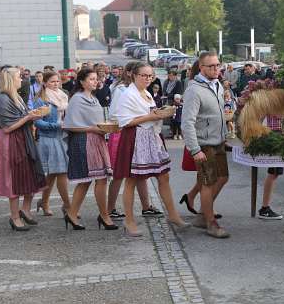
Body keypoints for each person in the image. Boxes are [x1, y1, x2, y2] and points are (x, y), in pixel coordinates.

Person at [114, 62, 188, 237]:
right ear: (134, 75)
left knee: (164, 176)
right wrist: (151, 115)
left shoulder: (146, 92)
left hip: (151, 137)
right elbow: (125, 121)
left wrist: (160, 113)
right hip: (135, 137)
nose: (147, 79)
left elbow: (150, 114)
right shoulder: (128, 94)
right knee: (131, 180)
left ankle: (173, 215)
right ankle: (129, 220)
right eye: (144, 76)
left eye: (150, 76)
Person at [182, 51, 230, 238]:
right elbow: (187, 123)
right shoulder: (194, 90)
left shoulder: (216, 83)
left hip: (218, 142)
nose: (216, 68)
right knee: (207, 183)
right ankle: (210, 223)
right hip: (203, 144)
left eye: (218, 65)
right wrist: (195, 150)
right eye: (211, 66)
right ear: (201, 68)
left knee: (223, 177)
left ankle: (203, 214)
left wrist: (224, 135)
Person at [0, 67, 46, 231]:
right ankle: (14, 217)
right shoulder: (2, 98)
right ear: (10, 79)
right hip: (10, 141)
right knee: (13, 179)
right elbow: (8, 127)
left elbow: (22, 117)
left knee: (30, 174)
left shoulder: (15, 95)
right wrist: (29, 117)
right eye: (18, 77)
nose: (21, 80)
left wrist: (32, 115)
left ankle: (25, 210)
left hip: (23, 138)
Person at [63, 68, 115, 231]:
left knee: (96, 179)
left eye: (95, 79)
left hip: (97, 139)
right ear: (82, 82)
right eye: (91, 79)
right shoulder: (77, 99)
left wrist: (105, 128)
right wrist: (93, 129)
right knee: (93, 179)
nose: (95, 81)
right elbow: (70, 125)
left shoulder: (92, 98)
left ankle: (73, 213)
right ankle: (103, 215)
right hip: (83, 141)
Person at [30, 71, 71, 217]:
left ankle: (44, 201)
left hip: (62, 137)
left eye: (57, 81)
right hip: (48, 138)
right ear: (45, 83)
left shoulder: (63, 96)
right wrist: (57, 125)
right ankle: (68, 206)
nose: (56, 84)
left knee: (53, 174)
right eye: (52, 82)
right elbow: (37, 122)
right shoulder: (41, 99)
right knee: (61, 172)